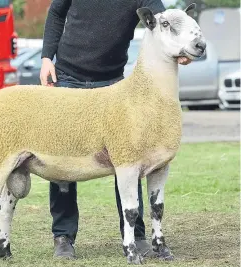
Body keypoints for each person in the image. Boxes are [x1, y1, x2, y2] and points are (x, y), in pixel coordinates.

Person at [40, 0, 191, 259]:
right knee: (63, 159)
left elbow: (163, 22)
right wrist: (46, 58)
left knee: (130, 158)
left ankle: (137, 236)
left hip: (113, 83)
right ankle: (63, 236)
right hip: (67, 78)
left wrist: (183, 48)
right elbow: (56, 12)